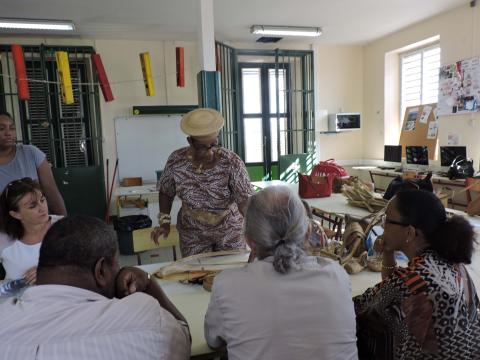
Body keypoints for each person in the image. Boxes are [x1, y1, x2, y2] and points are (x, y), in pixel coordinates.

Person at [0, 215, 191, 360]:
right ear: (100, 271)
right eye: (116, 264)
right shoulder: (147, 319)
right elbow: (182, 338)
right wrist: (148, 283)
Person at [204, 186, 358, 360]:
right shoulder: (337, 275)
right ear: (307, 233)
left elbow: (213, 341)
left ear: (249, 242)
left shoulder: (227, 285)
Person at [354, 189, 480, 360]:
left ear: (410, 233)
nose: (383, 226)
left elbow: (359, 309)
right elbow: (392, 290)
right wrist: (388, 252)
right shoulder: (455, 264)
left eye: (388, 221)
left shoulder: (410, 280)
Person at [151, 108, 254, 257]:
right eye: (202, 147)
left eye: (212, 145)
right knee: (196, 275)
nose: (208, 151)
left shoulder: (231, 162)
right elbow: (166, 191)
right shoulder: (176, 160)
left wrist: (256, 230)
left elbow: (245, 200)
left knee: (232, 272)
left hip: (229, 230)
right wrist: (164, 221)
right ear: (190, 141)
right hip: (192, 233)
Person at [0, 111, 66, 215]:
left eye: (12, 128)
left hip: (36, 223)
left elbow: (51, 192)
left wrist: (63, 222)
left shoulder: (31, 153)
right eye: (1, 129)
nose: (8, 133)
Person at [0, 177, 62, 283]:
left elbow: (87, 264)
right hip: (17, 298)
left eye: (42, 200)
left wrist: (49, 271)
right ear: (15, 214)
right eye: (33, 206)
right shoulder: (3, 239)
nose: (42, 207)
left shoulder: (65, 226)